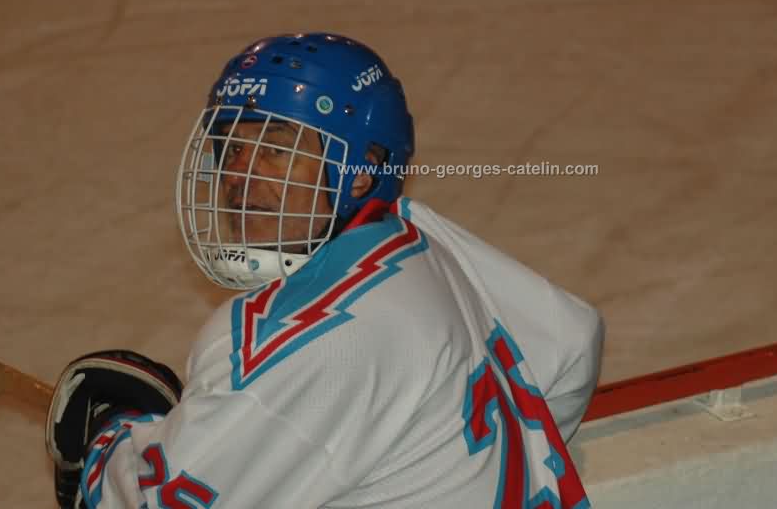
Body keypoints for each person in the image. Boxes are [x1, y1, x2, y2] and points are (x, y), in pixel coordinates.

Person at [45, 32, 605, 508]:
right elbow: (572, 341)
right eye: (231, 148)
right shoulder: (424, 238)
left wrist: (108, 438)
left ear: (360, 171)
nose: (239, 175)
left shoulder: (309, 341)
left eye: (275, 148)